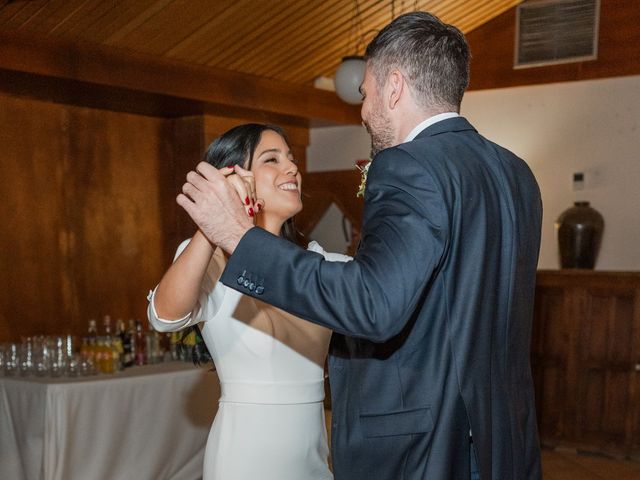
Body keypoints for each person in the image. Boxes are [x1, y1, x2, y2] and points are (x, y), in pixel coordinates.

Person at [177, 11, 543, 480]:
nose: (364, 111)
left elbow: (375, 303)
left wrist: (237, 237)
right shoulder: (516, 173)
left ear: (394, 88)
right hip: (499, 439)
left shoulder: (408, 164)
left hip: (424, 446)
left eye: (365, 94)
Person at [147, 124, 349, 480]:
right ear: (234, 176)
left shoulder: (321, 264)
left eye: (292, 158)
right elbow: (164, 316)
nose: (292, 168)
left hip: (314, 455)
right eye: (272, 159)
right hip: (244, 458)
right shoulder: (210, 259)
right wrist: (213, 224)